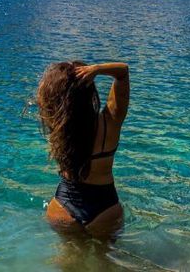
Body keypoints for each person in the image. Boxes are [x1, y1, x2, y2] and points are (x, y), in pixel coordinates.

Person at [37, 60, 129, 236]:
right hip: (105, 208)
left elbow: (47, 98)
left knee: (67, 261)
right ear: (89, 92)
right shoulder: (109, 123)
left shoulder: (58, 126)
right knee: (106, 261)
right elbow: (123, 72)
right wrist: (96, 69)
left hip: (64, 207)